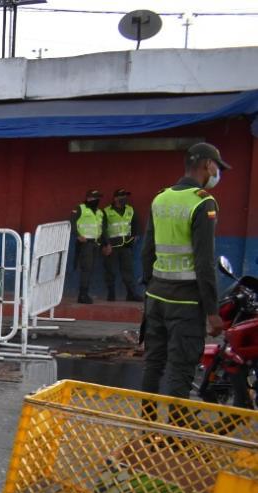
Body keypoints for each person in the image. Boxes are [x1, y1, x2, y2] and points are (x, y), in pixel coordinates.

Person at [140, 142, 227, 399]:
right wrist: (212, 312)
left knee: (153, 364)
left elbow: (147, 252)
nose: (217, 173)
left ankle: (147, 429)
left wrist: (150, 289)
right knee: (181, 369)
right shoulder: (203, 203)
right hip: (186, 303)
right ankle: (175, 437)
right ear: (208, 165)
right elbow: (204, 262)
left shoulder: (161, 197)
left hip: (156, 298)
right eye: (217, 167)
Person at [71, 189, 110, 304]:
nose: (97, 200)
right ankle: (82, 295)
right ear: (89, 198)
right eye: (95, 198)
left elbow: (102, 229)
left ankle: (84, 293)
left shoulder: (100, 212)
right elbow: (72, 223)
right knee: (86, 269)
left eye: (98, 198)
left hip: (96, 244)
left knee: (89, 269)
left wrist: (106, 244)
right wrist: (78, 235)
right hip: (85, 244)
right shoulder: (80, 208)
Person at [104, 188, 141, 302]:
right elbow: (102, 228)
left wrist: (135, 235)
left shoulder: (130, 209)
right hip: (112, 246)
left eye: (126, 196)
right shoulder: (106, 211)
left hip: (126, 245)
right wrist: (106, 244)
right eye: (122, 196)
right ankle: (111, 295)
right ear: (115, 198)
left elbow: (135, 223)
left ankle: (131, 294)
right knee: (110, 271)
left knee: (128, 271)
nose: (125, 199)